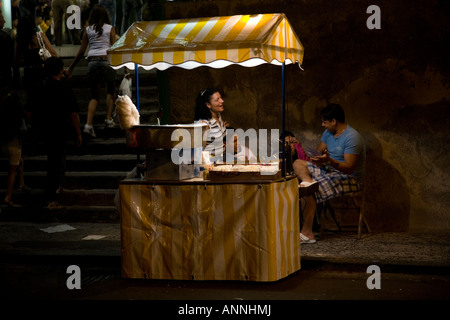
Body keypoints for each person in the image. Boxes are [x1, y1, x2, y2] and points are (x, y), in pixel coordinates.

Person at [293, 103, 366, 244]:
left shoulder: (352, 137)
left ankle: (307, 233)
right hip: (329, 169)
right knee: (297, 163)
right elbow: (318, 151)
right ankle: (308, 181)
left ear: (334, 121)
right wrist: (311, 155)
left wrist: (329, 161)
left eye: (324, 122)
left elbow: (349, 168)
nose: (322, 125)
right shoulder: (328, 133)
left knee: (311, 191)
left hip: (349, 177)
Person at [30, 56, 82, 209]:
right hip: (59, 129)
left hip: (44, 129)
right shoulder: (64, 88)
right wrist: (78, 133)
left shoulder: (39, 87)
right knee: (55, 163)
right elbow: (74, 113)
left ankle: (54, 190)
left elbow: (29, 110)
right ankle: (51, 197)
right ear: (60, 70)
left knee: (54, 162)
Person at [67, 4, 117, 138]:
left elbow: (81, 51)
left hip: (93, 62)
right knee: (111, 91)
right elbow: (114, 49)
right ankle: (108, 119)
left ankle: (88, 125)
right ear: (105, 15)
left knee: (95, 96)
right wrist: (125, 67)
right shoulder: (110, 29)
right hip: (107, 61)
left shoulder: (87, 30)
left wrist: (71, 68)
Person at [15, 15, 58, 115]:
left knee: (29, 103)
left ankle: (30, 125)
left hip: (28, 74)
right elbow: (53, 53)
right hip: (41, 72)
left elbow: (16, 60)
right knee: (43, 101)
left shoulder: (19, 40)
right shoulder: (40, 36)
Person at [194, 88, 229, 161]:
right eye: (217, 100)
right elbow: (198, 151)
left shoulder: (218, 116)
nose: (222, 101)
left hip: (221, 160)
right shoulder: (203, 124)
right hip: (210, 163)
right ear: (208, 105)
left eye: (221, 98)